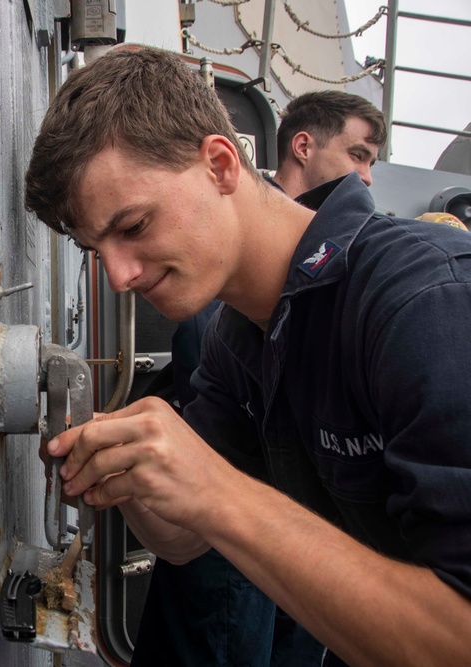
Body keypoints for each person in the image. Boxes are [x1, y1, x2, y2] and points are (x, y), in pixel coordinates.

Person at [24, 47, 471, 667]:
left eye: (133, 226)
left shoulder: (422, 299)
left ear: (220, 163)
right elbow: (183, 542)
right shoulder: (241, 340)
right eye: (96, 250)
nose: (120, 276)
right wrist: (126, 477)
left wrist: (217, 491)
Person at [132, 86, 388, 667]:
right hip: (236, 567)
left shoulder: (401, 288)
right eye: (359, 155)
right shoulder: (222, 285)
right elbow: (215, 467)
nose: (366, 178)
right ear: (302, 144)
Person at [271, 90, 385, 198]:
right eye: (357, 156)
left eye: (370, 165)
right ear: (303, 147)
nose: (368, 179)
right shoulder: (254, 213)